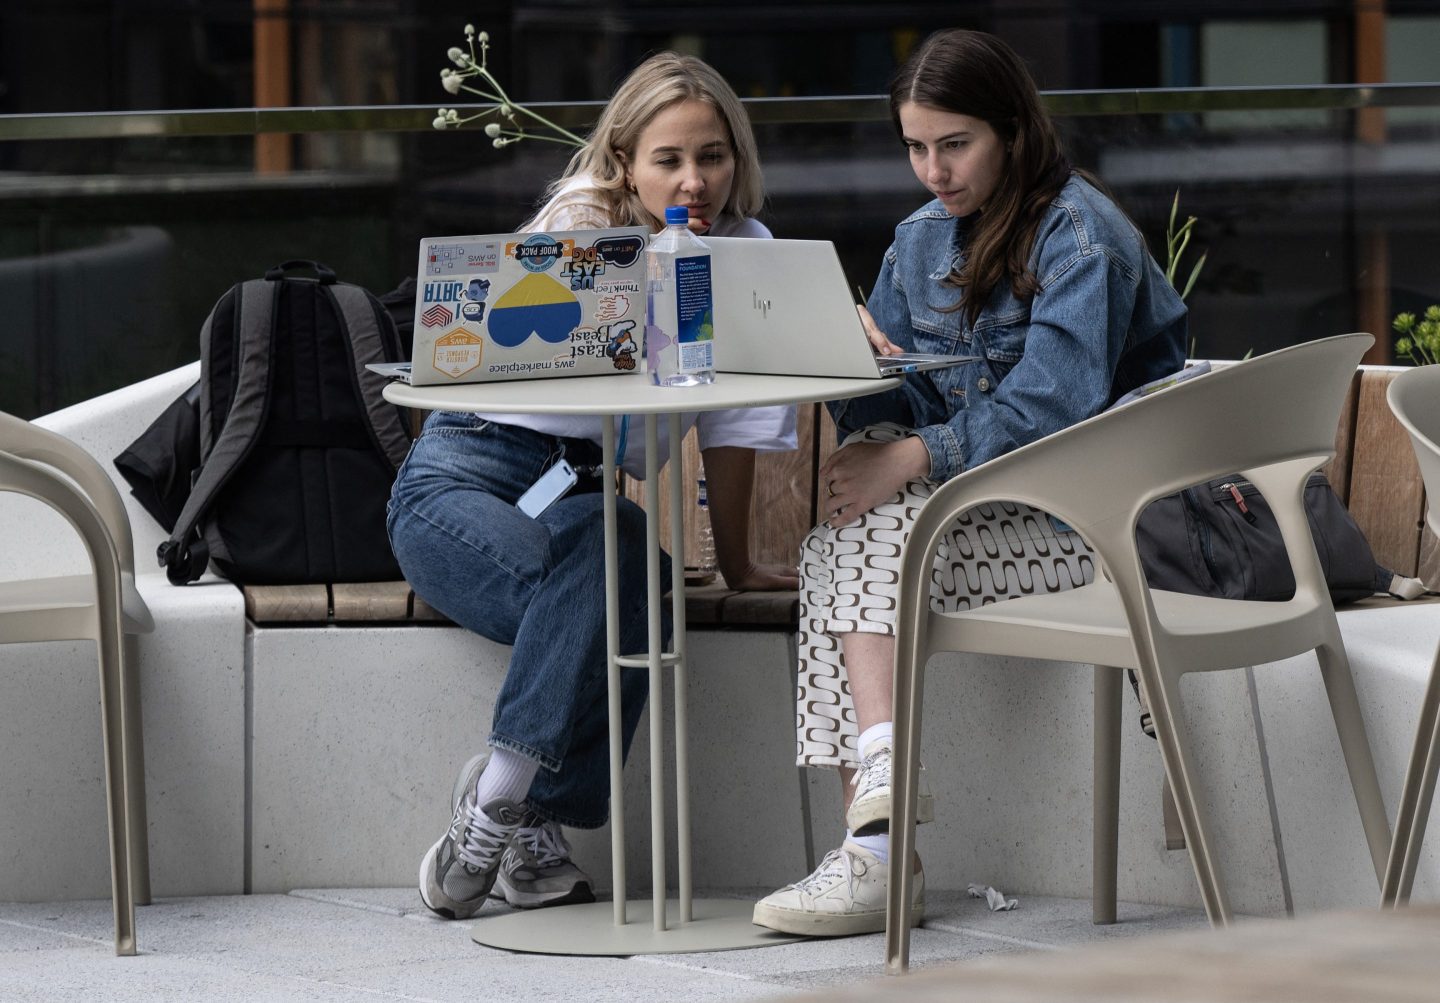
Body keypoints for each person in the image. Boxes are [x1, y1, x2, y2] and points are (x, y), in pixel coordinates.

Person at [752, 28, 1187, 937]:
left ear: (1013, 132)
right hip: (983, 522)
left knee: (861, 529)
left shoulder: (1081, 236)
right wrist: (857, 359)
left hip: (1094, 523)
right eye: (915, 146)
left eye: (955, 144)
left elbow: (1052, 410)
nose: (932, 170)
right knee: (844, 525)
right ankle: (881, 797)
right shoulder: (919, 244)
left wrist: (913, 455)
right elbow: (900, 415)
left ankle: (877, 858)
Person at [389, 52, 798, 920]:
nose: (696, 179)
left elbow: (728, 426)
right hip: (462, 476)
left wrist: (740, 562)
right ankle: (520, 809)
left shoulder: (746, 250)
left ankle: (503, 804)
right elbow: (545, 365)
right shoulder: (581, 224)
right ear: (623, 161)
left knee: (622, 553)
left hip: (573, 496)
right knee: (620, 569)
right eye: (670, 159)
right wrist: (659, 271)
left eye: (714, 156)